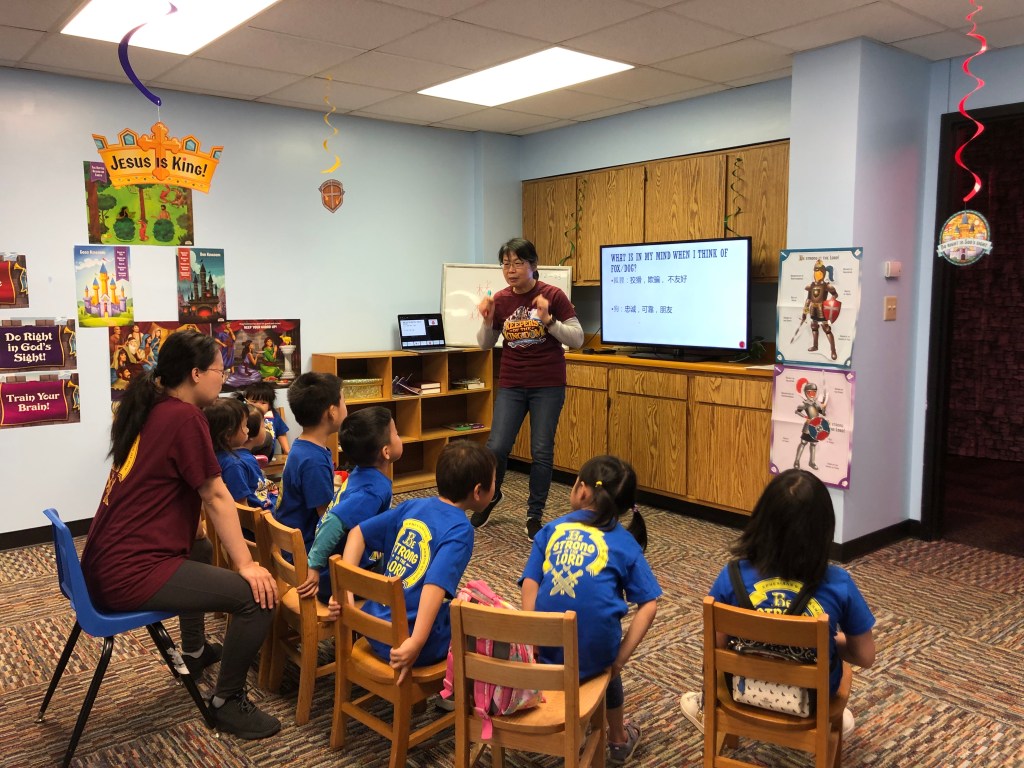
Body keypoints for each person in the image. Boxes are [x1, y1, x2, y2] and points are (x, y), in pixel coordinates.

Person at [80, 330, 281, 739]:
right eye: (219, 371)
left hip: (102, 565)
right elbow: (216, 495)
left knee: (200, 547)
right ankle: (228, 702)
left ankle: (195, 649)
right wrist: (247, 564)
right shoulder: (186, 417)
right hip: (128, 574)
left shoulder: (152, 407)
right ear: (195, 374)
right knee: (256, 597)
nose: (224, 378)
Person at [680, 469, 876, 739]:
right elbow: (865, 656)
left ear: (761, 520)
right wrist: (826, 640)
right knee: (838, 668)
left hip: (742, 691)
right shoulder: (839, 584)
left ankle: (707, 710)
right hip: (813, 701)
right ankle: (828, 722)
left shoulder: (732, 576)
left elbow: (714, 648)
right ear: (824, 529)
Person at [520, 455, 660, 765]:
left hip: (543, 651)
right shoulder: (625, 542)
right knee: (607, 666)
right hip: (595, 658)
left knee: (574, 645)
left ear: (582, 489)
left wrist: (532, 636)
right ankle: (618, 739)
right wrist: (618, 660)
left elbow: (530, 582)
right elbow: (649, 604)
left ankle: (553, 718)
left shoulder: (551, 529)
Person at [331, 441, 496, 681]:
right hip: (406, 645)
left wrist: (345, 590)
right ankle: (460, 692)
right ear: (478, 491)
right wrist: (416, 643)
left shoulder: (413, 506)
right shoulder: (461, 530)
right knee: (479, 621)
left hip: (371, 625)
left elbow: (357, 533)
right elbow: (434, 587)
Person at [474, 237, 584, 540]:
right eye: (505, 264)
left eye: (518, 263)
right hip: (512, 382)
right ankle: (492, 495)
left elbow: (577, 339)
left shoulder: (553, 295)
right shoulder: (500, 300)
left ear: (533, 265)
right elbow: (484, 344)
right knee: (496, 447)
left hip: (547, 384)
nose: (511, 270)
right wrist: (487, 321)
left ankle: (534, 513)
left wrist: (549, 321)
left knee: (541, 450)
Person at [297, 406, 402, 603]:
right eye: (396, 433)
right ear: (386, 451)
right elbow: (332, 523)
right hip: (335, 581)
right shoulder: (371, 491)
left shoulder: (362, 473)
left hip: (340, 568)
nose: (399, 437)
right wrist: (314, 568)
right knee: (412, 567)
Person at [274, 372, 346, 551]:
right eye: (343, 401)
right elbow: (327, 520)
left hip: (294, 543)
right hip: (305, 550)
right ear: (332, 412)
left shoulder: (303, 447)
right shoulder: (313, 461)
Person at [204, 397, 276, 511]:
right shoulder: (234, 464)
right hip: (260, 518)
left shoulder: (231, 457)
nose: (248, 430)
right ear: (228, 434)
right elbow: (242, 506)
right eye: (244, 425)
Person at [244, 381, 289, 460]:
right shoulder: (244, 415)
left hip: (266, 455)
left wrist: (287, 450)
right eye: (254, 402)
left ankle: (259, 459)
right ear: (246, 401)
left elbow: (281, 434)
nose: (258, 405)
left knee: (267, 436)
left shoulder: (274, 416)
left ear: (269, 405)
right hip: (247, 452)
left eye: (263, 403)